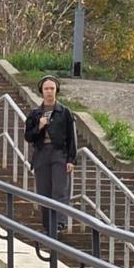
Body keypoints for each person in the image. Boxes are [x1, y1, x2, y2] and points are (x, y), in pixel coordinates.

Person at [24, 75, 77, 235]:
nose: (49, 92)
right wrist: (39, 126)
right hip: (41, 153)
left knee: (59, 190)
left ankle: (59, 224)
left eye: (52, 89)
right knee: (44, 191)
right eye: (46, 89)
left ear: (56, 91)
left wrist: (71, 159)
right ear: (41, 91)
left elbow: (71, 137)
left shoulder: (64, 112)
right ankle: (48, 226)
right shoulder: (35, 114)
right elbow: (28, 136)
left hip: (59, 152)